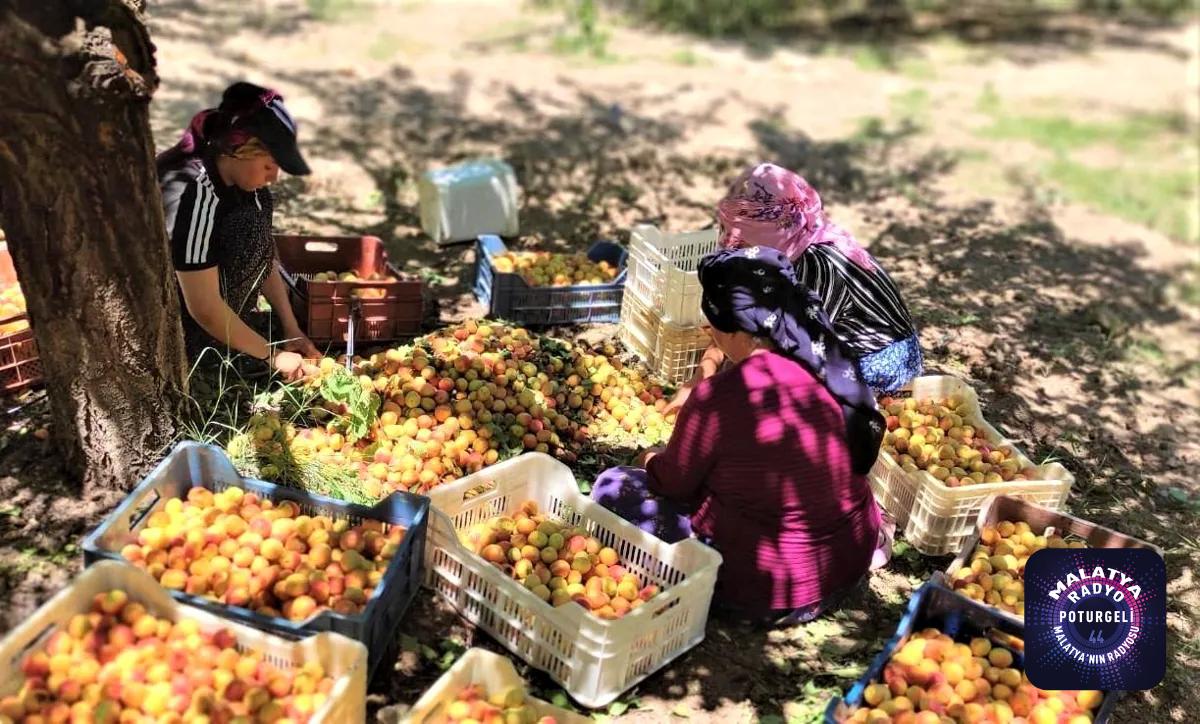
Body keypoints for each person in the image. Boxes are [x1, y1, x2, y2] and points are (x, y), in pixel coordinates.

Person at [591, 245, 890, 624]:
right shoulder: (822, 365)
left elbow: (673, 483)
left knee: (613, 486)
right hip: (845, 563)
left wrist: (649, 457)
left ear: (733, 330)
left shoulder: (720, 398)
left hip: (766, 590)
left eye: (711, 324)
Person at [668, 162, 922, 412]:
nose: (734, 245)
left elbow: (800, 347)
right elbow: (737, 311)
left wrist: (721, 392)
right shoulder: (785, 245)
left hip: (875, 360)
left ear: (771, 234)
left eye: (744, 241)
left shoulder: (818, 265)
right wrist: (704, 371)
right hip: (825, 340)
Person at [157, 81, 320, 381]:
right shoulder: (195, 194)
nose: (275, 177)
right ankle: (207, 361)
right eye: (269, 165)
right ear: (239, 149)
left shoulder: (250, 187)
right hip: (186, 333)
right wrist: (272, 355)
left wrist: (290, 328)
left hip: (229, 325)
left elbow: (264, 255)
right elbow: (204, 307)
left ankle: (233, 343)